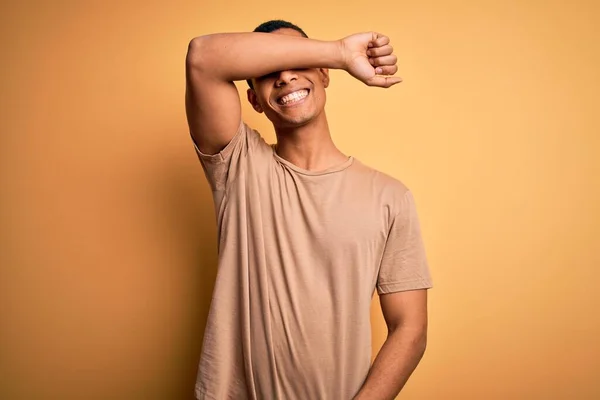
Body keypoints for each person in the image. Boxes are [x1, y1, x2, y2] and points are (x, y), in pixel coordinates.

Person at [185, 19, 433, 400]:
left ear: (324, 75)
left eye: (300, 63)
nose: (285, 77)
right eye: (268, 72)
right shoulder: (239, 165)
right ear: (253, 100)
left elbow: (409, 329)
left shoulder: (389, 197)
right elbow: (203, 57)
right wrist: (339, 53)